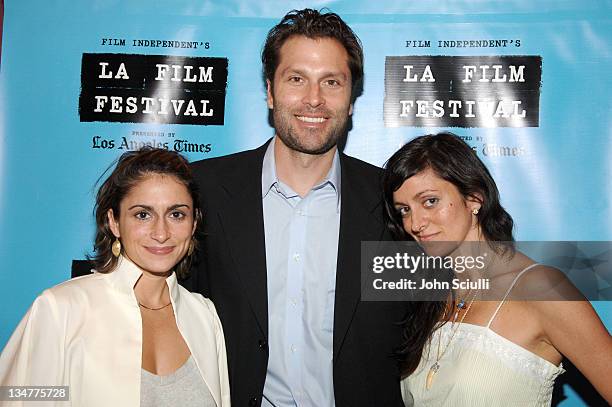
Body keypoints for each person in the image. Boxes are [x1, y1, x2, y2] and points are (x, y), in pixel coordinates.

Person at [184, 8, 408, 407]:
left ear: (352, 98)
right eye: (296, 79)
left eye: (332, 82)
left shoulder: (394, 202)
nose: (314, 99)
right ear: (270, 91)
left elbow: (450, 310)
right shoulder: (201, 192)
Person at [382, 132, 612, 406]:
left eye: (430, 201)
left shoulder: (541, 289)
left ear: (474, 198)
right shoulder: (431, 296)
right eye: (404, 210)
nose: (415, 223)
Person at [0, 148, 231, 407]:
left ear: (194, 223)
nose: (161, 232)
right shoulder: (61, 310)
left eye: (176, 214)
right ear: (114, 222)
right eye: (143, 214)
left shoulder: (204, 315)